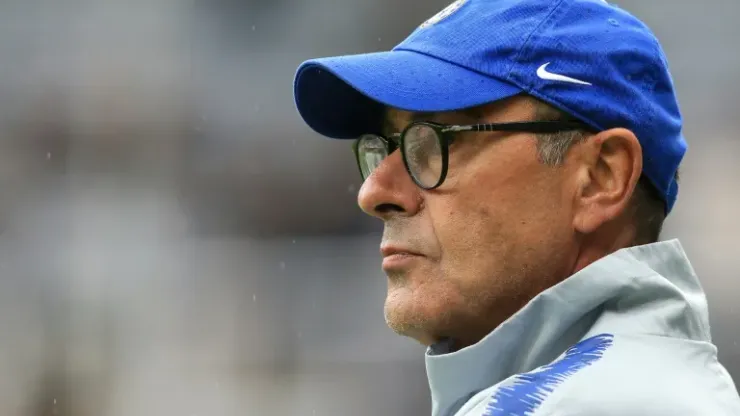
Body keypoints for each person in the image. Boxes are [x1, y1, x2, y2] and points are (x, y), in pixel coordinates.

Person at [292, 0, 740, 414]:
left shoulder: (605, 404)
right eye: (386, 147)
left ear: (600, 178)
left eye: (437, 141)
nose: (373, 193)